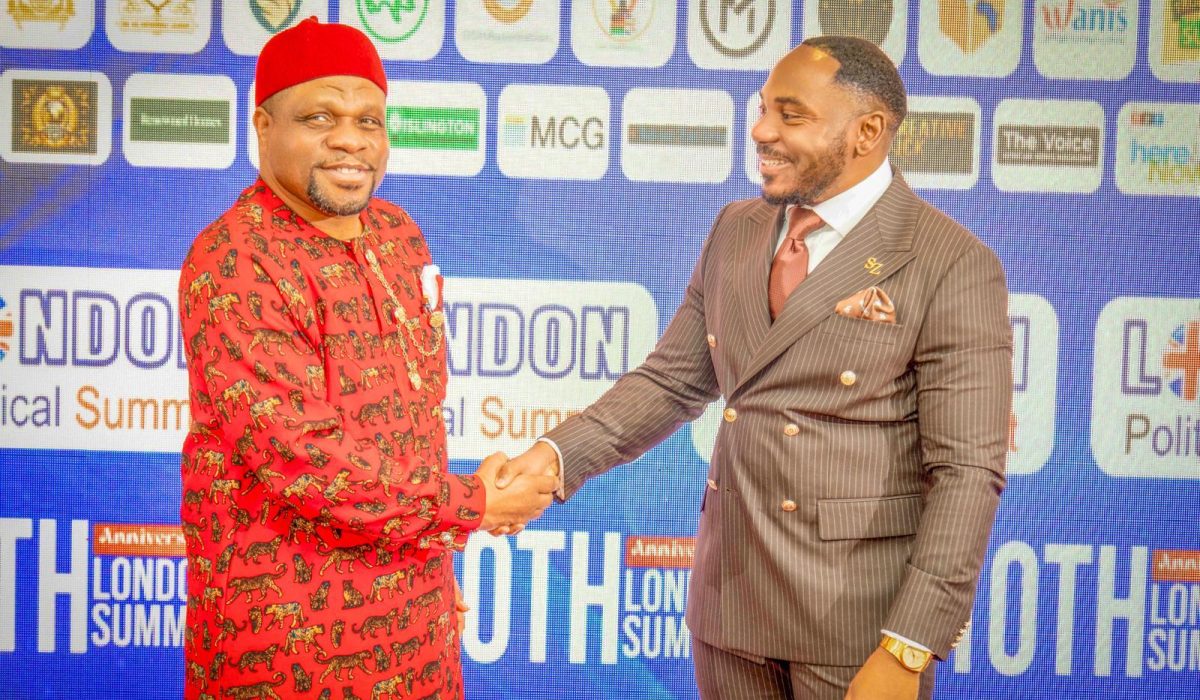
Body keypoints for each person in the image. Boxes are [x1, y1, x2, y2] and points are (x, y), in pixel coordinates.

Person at [495, 36, 1012, 700]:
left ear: (867, 132)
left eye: (790, 115)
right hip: (729, 610)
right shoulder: (735, 229)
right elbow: (671, 382)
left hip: (856, 629)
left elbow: (966, 473)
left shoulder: (950, 262)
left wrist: (909, 645)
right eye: (763, 108)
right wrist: (552, 458)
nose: (762, 131)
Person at [177, 18, 555, 700]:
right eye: (319, 117)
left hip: (416, 627)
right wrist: (473, 503)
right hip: (288, 643)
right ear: (263, 127)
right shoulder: (236, 258)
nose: (351, 139)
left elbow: (413, 423)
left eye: (369, 120)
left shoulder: (397, 233)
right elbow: (303, 457)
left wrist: (432, 567)